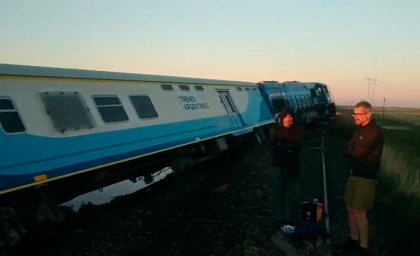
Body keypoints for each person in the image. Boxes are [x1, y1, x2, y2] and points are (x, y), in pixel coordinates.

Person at [340, 101, 384, 256]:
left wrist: (352, 147)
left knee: (360, 211)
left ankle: (363, 247)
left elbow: (358, 152)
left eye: (358, 114)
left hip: (366, 177)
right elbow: (347, 149)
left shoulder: (374, 131)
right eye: (354, 114)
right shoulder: (359, 129)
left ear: (368, 114)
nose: (355, 117)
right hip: (355, 173)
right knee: (350, 208)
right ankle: (353, 240)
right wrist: (352, 146)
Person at [269, 107, 305, 226]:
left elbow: (296, 148)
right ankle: (279, 218)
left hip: (292, 167)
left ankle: (287, 219)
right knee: (278, 193)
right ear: (282, 118)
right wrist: (288, 147)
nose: (289, 119)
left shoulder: (298, 130)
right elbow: (273, 148)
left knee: (289, 193)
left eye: (291, 116)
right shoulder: (275, 130)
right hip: (277, 166)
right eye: (287, 117)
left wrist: (283, 146)